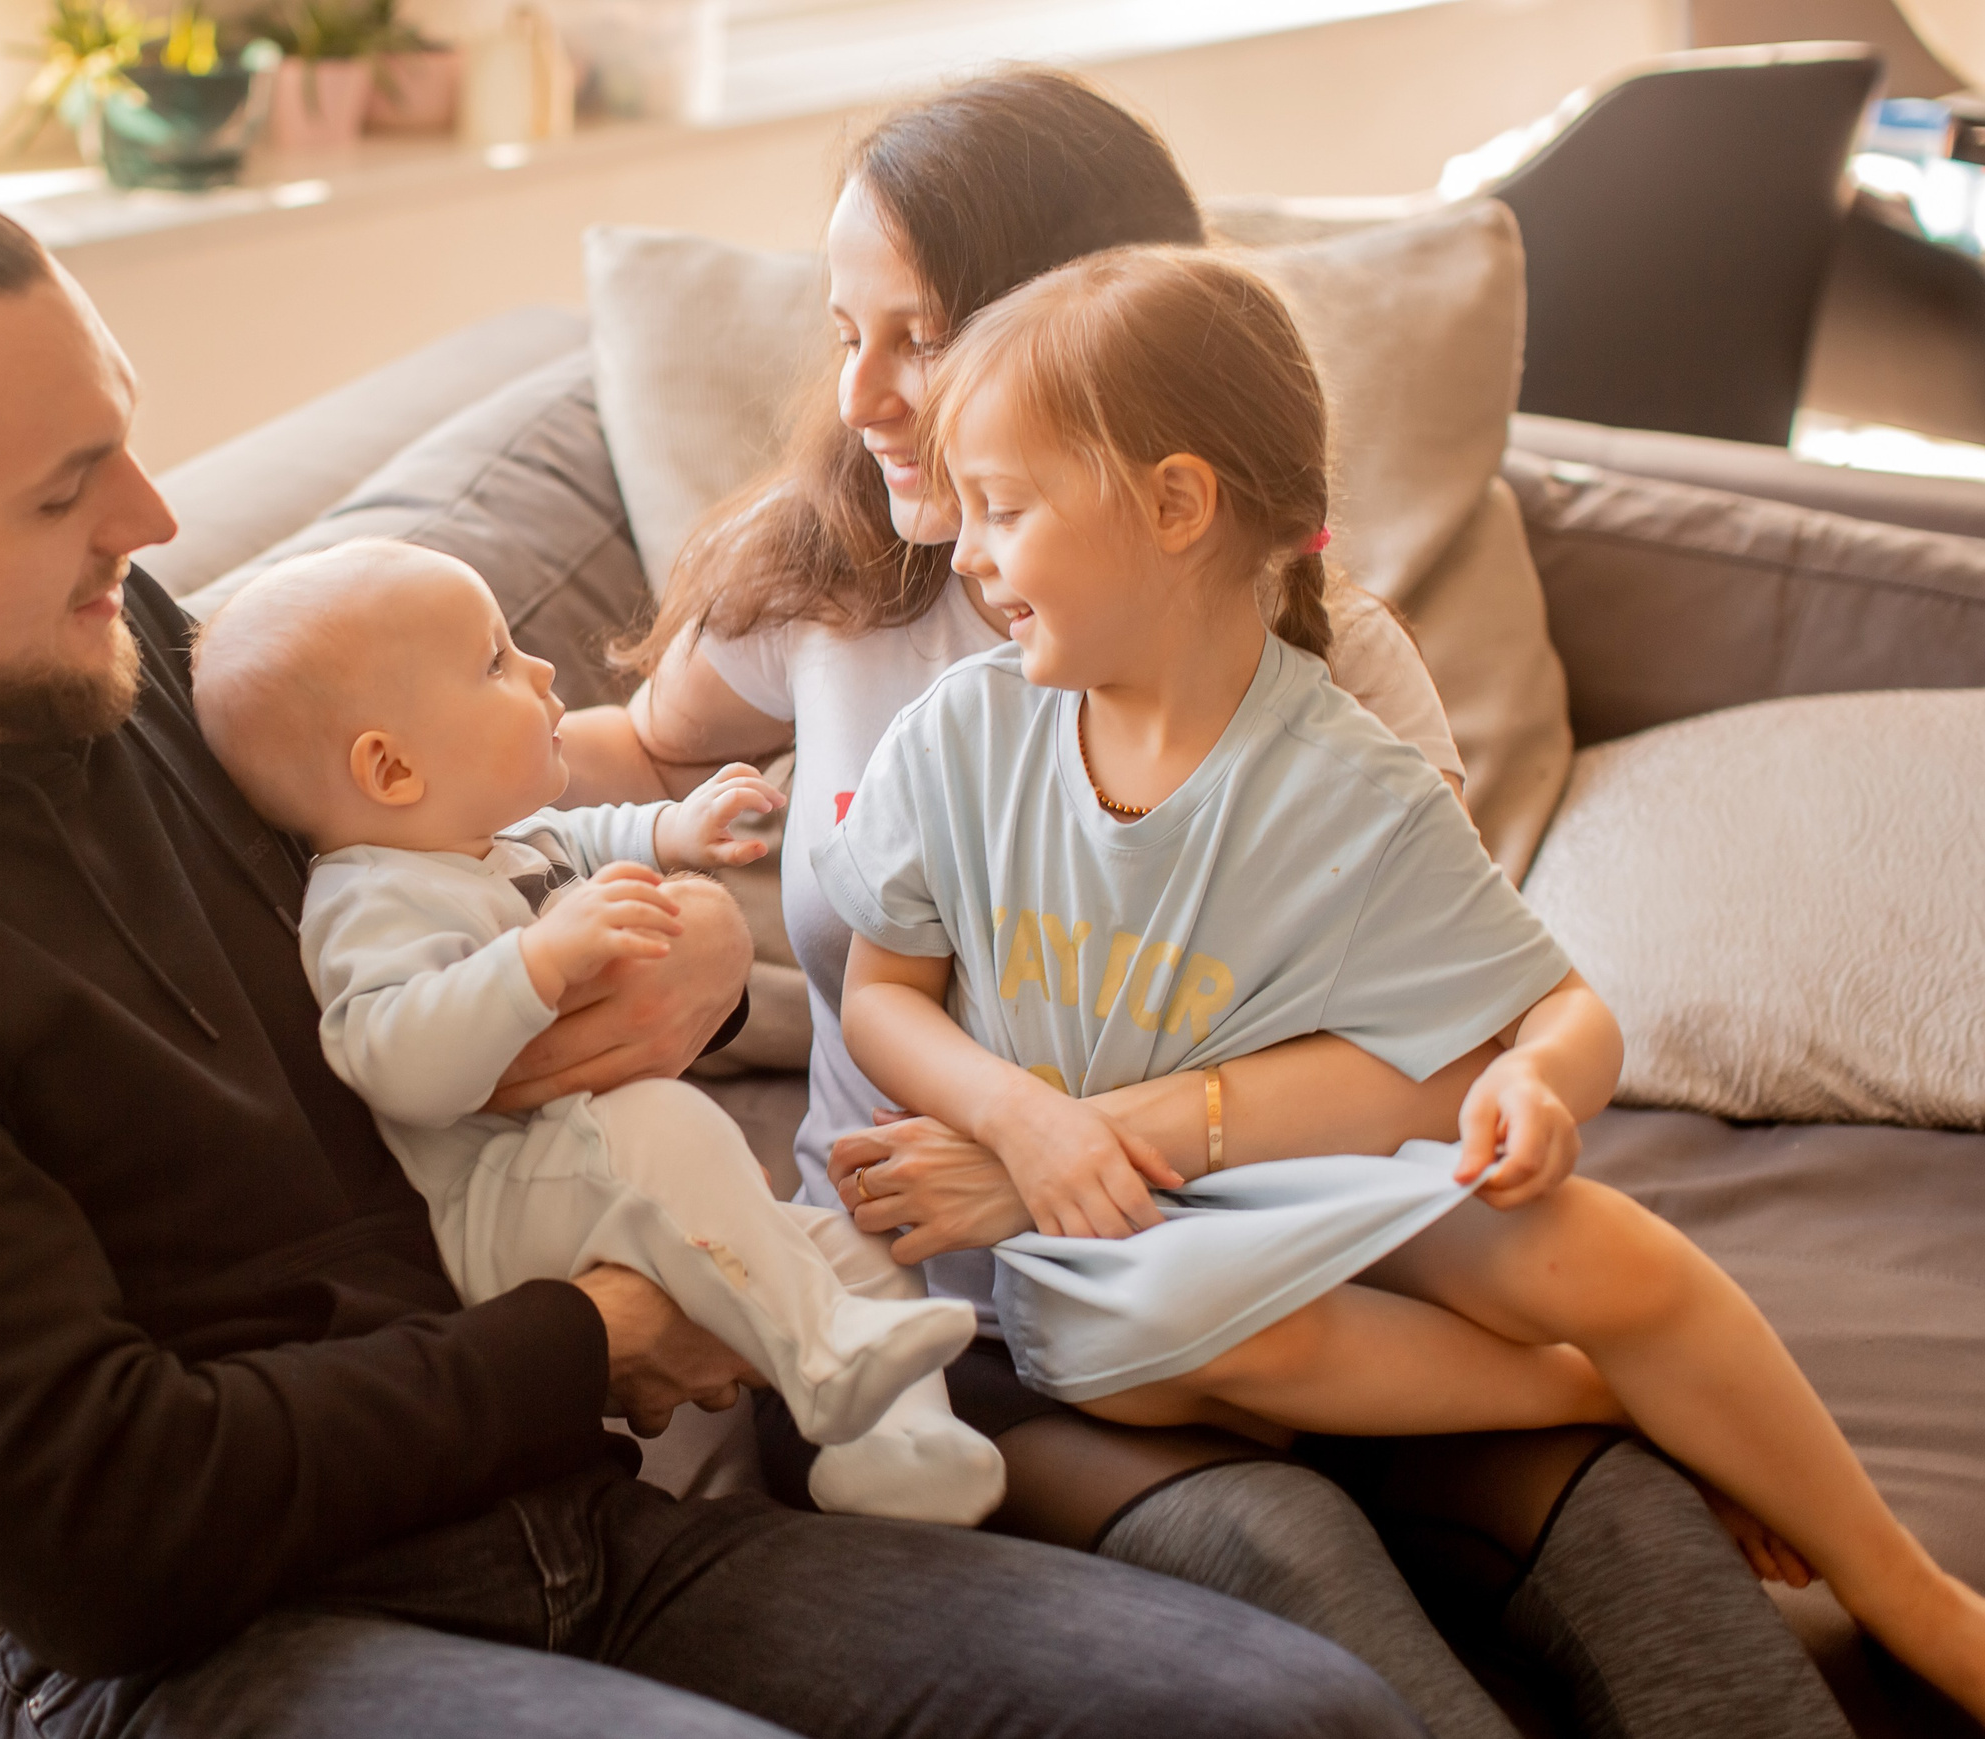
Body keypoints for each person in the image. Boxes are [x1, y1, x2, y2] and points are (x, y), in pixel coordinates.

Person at [0, 172, 1426, 1739]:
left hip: (555, 1520)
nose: (156, 519)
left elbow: (470, 845)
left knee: (1291, 1710)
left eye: (121, 436)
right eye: (66, 488)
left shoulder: (106, 644)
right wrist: (593, 1332)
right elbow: (93, 1532)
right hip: (200, 1654)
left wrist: (676, 942)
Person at [560, 67, 1855, 1739]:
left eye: (921, 333)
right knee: (1285, 1542)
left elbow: (1444, 1034)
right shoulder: (823, 599)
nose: (866, 390)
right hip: (952, 1320)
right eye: (844, 329)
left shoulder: (1319, 659)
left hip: (1295, 1276)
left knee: (1625, 1518)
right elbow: (612, 746)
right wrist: (339, 731)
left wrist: (1083, 1130)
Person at [822, 242, 1985, 1719]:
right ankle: (1617, 1391)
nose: (968, 554)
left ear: (1177, 507)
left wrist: (1533, 1087)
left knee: (1600, 1247)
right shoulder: (959, 738)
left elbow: (1557, 1013)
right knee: (1143, 1336)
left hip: (1291, 1183)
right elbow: (882, 994)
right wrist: (1023, 1122)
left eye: (1002, 510)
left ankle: (1915, 1593)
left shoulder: (1349, 782)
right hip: (1099, 1250)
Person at [190, 539, 1003, 1524]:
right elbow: (390, 1058)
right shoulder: (371, 898)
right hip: (503, 1207)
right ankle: (824, 1360)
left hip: (594, 1172)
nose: (540, 672)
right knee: (666, 1119)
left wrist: (679, 833)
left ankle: (894, 1449)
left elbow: (591, 837)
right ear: (392, 766)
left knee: (849, 1244)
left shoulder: (500, 842)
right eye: (495, 661)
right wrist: (534, 965)